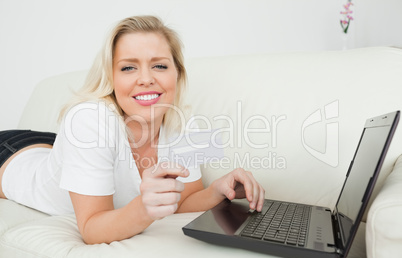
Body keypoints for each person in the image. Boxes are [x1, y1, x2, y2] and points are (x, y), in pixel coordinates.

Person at [0, 15, 265, 244]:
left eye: (159, 65)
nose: (146, 78)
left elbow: (184, 201)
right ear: (111, 79)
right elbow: (91, 229)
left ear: (178, 74)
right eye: (128, 67)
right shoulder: (87, 119)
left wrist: (218, 190)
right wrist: (143, 208)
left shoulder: (186, 120)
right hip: (10, 154)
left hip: (55, 147)